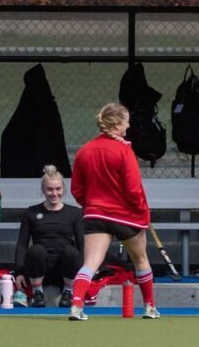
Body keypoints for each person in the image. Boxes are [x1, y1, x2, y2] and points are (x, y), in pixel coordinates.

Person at [68, 103, 159, 321]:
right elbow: (134, 188)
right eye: (126, 121)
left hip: (96, 214)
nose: (129, 126)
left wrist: (90, 204)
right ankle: (149, 307)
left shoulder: (84, 150)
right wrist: (143, 213)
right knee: (141, 259)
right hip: (125, 216)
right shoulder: (124, 150)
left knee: (90, 263)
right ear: (117, 124)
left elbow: (76, 189)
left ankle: (76, 306)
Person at [14, 165, 83, 308]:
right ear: (43, 190)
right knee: (36, 250)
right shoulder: (31, 213)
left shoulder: (74, 213)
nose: (54, 193)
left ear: (63, 189)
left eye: (58, 189)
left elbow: (82, 245)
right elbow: (22, 245)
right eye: (50, 189)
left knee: (71, 251)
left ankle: (68, 292)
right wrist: (19, 272)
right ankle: (37, 293)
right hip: (39, 270)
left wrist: (85, 274)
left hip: (65, 272)